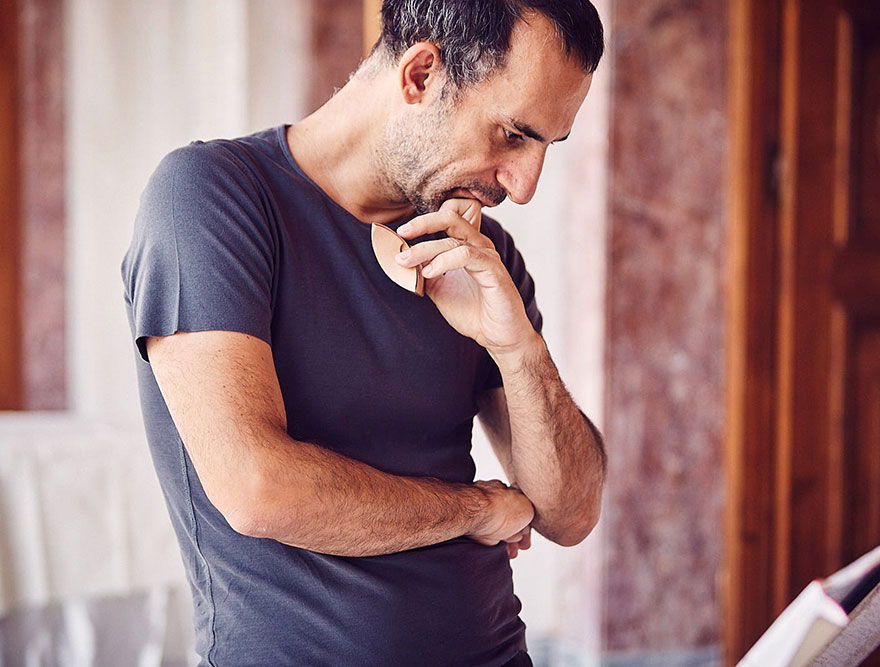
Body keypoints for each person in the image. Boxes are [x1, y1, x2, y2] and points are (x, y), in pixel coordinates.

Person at [122, 1, 606, 665]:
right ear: (421, 74)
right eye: (512, 135)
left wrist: (518, 349)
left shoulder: (478, 256)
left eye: (548, 145)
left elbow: (570, 515)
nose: (523, 186)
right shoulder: (210, 197)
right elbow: (256, 488)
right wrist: (474, 510)